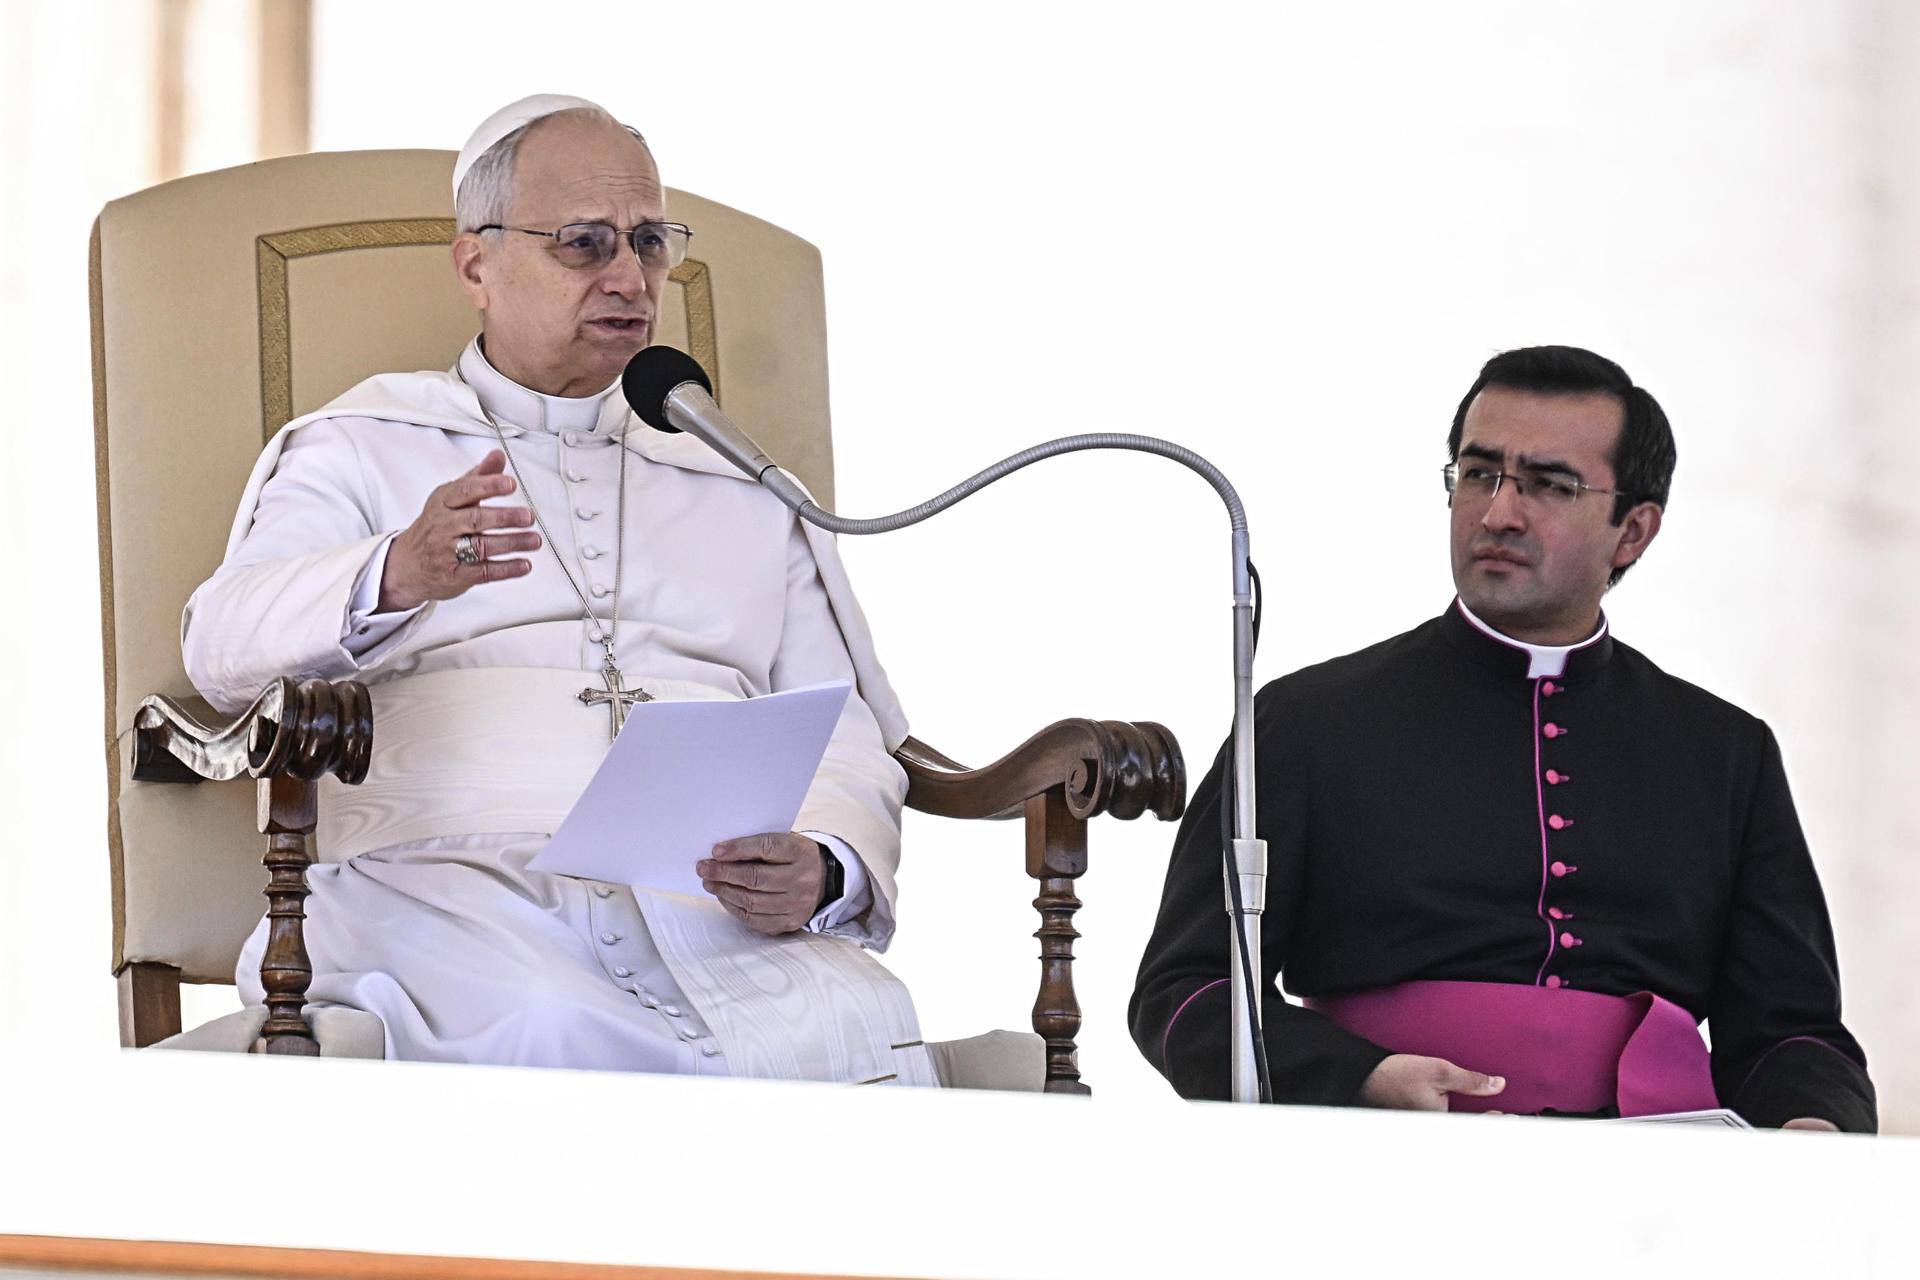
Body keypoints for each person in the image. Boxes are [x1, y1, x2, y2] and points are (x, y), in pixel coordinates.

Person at [183, 94, 937, 1086]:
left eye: (650, 243)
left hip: (706, 909)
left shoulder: (739, 484)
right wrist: (396, 570)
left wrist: (827, 862)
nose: (630, 279)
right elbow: (221, 647)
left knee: (866, 1016)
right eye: (585, 244)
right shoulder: (362, 444)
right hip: (442, 890)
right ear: (476, 266)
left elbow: (839, 727)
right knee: (547, 1023)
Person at [1129, 345, 1876, 1131]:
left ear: (1633, 531)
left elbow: (1791, 1032)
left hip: (1660, 1169)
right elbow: (1186, 990)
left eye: (1550, 485)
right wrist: (1362, 1079)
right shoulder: (1305, 722)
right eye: (1479, 473)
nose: (1497, 514)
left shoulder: (1725, 754)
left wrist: (1815, 1126)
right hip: (1378, 1154)